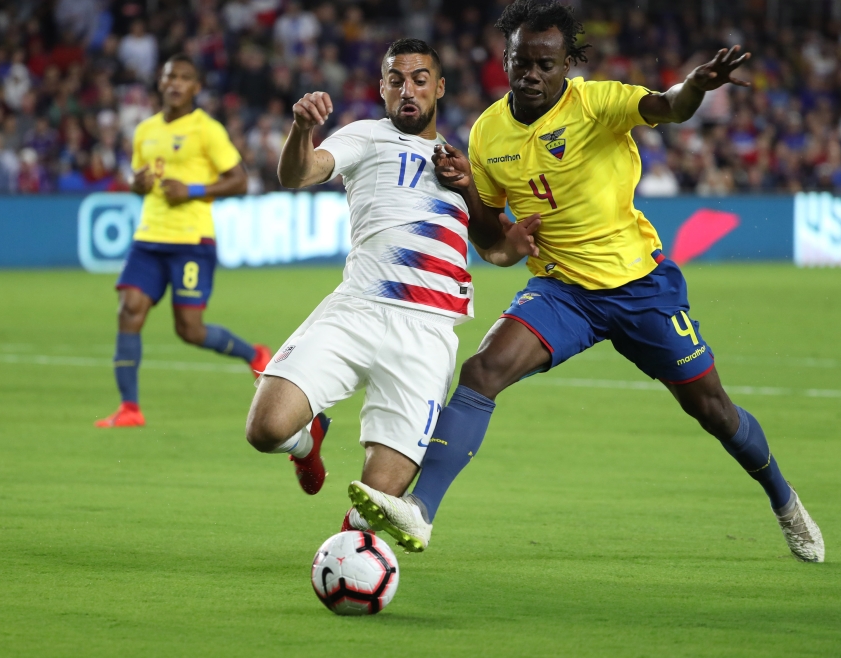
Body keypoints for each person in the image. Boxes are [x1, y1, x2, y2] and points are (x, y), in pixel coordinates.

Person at [349, 0, 825, 563]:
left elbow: (669, 106)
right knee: (482, 370)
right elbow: (487, 233)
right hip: (561, 291)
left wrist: (696, 86)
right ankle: (421, 512)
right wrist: (468, 190)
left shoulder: (599, 104)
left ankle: (784, 500)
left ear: (567, 66)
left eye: (546, 65)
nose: (531, 75)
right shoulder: (487, 134)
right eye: (522, 61)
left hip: (638, 286)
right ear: (506, 58)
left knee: (713, 410)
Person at [244, 39, 539, 530]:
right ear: (382, 88)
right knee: (265, 429)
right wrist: (302, 130)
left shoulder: (462, 163)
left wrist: (513, 238)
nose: (408, 89)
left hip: (426, 335)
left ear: (438, 87)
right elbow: (298, 173)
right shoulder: (365, 136)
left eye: (420, 79)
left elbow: (495, 249)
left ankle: (349, 562)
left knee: (376, 503)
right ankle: (305, 438)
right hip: (356, 309)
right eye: (396, 80)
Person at [95, 54, 271, 428]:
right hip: (148, 238)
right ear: (160, 82)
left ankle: (255, 354)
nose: (175, 82)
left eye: (184, 77)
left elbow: (239, 180)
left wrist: (191, 189)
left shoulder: (206, 129)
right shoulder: (144, 131)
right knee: (129, 310)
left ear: (195, 87)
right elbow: (138, 180)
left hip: (192, 240)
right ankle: (130, 408)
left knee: (189, 329)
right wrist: (136, 185)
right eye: (169, 75)